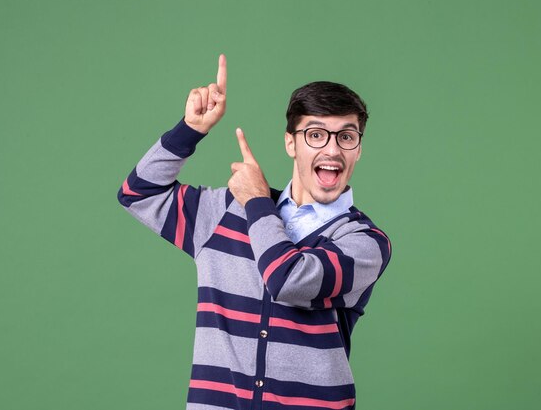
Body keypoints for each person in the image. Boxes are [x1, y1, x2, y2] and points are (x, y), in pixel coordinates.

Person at [117, 54, 392, 410]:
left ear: (358, 150)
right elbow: (139, 193)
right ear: (291, 143)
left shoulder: (365, 242)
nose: (332, 149)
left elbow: (288, 280)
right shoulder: (225, 214)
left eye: (347, 137)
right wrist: (190, 129)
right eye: (316, 134)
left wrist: (258, 202)